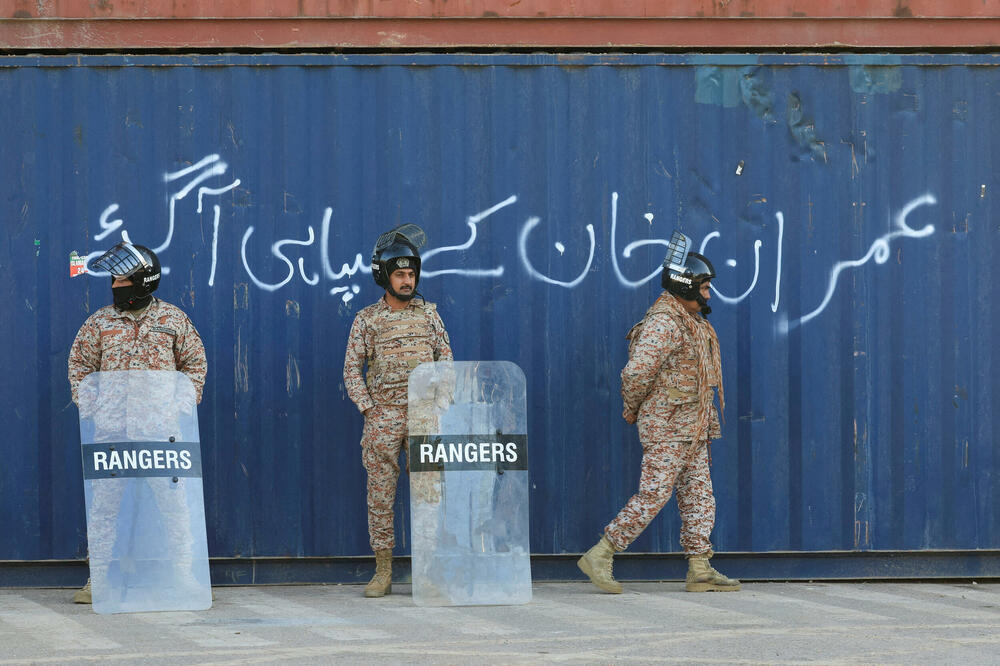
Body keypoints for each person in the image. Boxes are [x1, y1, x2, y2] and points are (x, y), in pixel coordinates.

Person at [578, 233, 740, 594]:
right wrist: (634, 409)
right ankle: (601, 553)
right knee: (654, 494)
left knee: (700, 496)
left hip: (693, 427)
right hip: (668, 426)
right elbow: (636, 373)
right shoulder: (664, 323)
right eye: (704, 287)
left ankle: (699, 568)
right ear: (685, 286)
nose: (709, 294)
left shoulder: (692, 321)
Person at [68, 239, 207, 604]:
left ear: (143, 281)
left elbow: (195, 365)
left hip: (163, 437)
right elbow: (80, 367)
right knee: (103, 510)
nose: (114, 286)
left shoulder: (173, 320)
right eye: (113, 280)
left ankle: (184, 577)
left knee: (175, 509)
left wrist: (179, 406)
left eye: (122, 280)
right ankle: (96, 580)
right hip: (111, 436)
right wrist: (92, 407)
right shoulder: (99, 323)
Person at [343, 225, 453, 598]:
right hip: (384, 419)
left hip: (424, 419)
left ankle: (429, 570)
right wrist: (369, 409)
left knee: (428, 495)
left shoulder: (429, 315)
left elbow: (446, 359)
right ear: (385, 276)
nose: (407, 281)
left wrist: (441, 404)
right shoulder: (367, 320)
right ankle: (383, 571)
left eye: (411, 275)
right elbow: (350, 370)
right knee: (380, 494)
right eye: (400, 274)